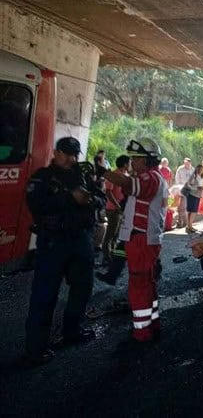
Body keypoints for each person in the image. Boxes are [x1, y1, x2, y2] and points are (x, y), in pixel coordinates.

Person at [24, 137, 105, 364]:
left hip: (81, 240)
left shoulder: (83, 175)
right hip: (53, 243)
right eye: (67, 154)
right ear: (56, 153)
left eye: (75, 154)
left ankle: (72, 331)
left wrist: (90, 200)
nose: (71, 159)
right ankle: (36, 349)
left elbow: (101, 198)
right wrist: (69, 197)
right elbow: (36, 205)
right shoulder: (42, 178)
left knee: (82, 288)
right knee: (45, 295)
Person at [104, 138, 167, 347]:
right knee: (147, 285)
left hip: (142, 240)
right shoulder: (151, 177)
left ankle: (142, 332)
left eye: (137, 159)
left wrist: (102, 172)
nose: (133, 163)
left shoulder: (150, 179)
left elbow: (130, 185)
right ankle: (152, 324)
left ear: (148, 160)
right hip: (141, 239)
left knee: (139, 286)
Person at [101, 155, 130, 266]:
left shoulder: (124, 175)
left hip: (119, 208)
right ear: (125, 164)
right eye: (129, 163)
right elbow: (108, 192)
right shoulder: (114, 175)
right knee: (110, 233)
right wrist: (117, 205)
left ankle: (112, 254)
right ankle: (106, 257)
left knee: (116, 234)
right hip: (113, 209)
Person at [174, 158, 193, 228]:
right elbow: (177, 178)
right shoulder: (180, 169)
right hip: (181, 189)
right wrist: (179, 186)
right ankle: (179, 221)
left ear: (190, 163)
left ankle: (185, 222)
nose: (186, 165)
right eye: (185, 164)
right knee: (179, 206)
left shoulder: (192, 170)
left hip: (189, 189)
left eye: (188, 164)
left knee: (186, 206)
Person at [185, 164, 203, 232]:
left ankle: (189, 226)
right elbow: (188, 185)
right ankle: (189, 226)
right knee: (192, 211)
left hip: (197, 195)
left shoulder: (200, 177)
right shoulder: (194, 176)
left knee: (192, 211)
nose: (201, 170)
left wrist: (202, 189)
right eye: (200, 169)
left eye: (202, 169)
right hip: (192, 195)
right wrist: (197, 188)